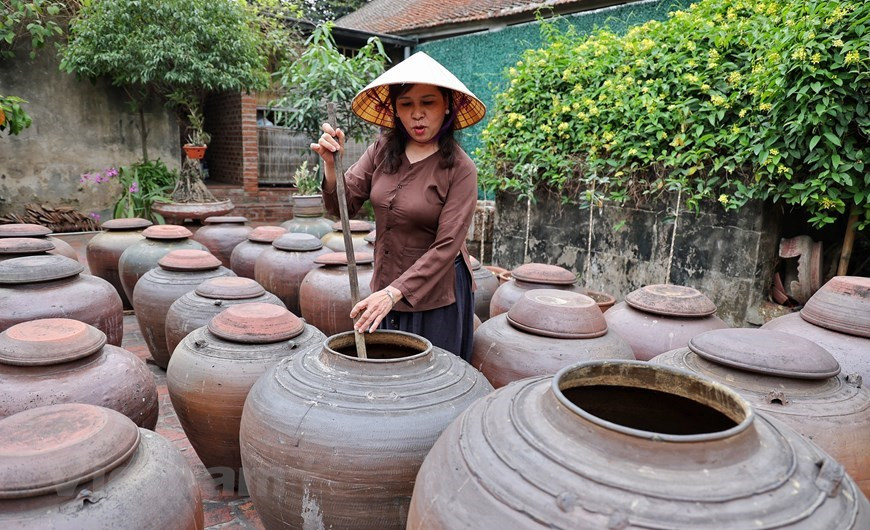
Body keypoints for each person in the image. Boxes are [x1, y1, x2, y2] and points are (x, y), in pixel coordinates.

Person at [310, 52, 486, 360]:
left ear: (447, 107)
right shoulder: (381, 150)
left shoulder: (460, 169)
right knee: (387, 378)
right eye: (406, 104)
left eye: (428, 103)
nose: (417, 114)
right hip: (385, 284)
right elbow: (344, 206)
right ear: (396, 111)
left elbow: (447, 247)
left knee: (428, 385)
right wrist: (329, 165)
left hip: (435, 296)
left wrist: (394, 293)